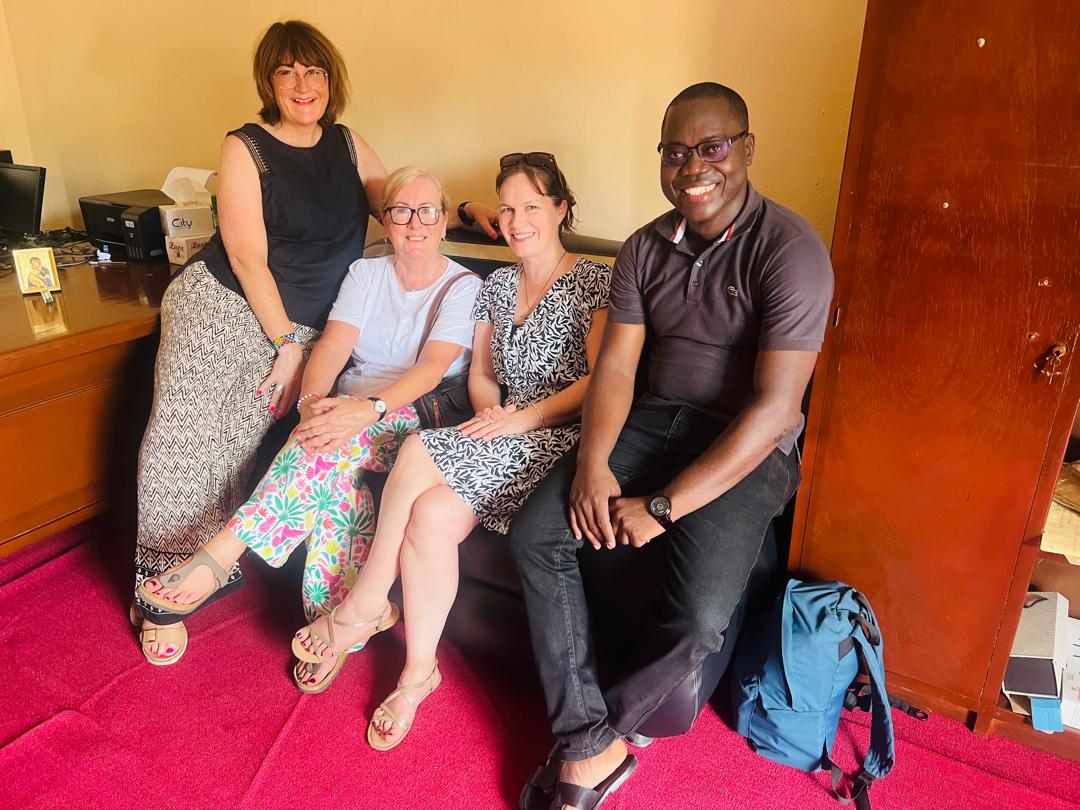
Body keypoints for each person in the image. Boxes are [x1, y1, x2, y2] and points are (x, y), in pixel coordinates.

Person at [510, 82, 834, 810]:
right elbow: (618, 367)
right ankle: (589, 744)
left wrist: (663, 505)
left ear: (745, 149)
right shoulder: (643, 247)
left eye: (713, 147)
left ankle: (601, 736)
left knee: (699, 618)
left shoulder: (791, 250)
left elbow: (775, 407)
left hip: (744, 443)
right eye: (676, 151)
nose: (694, 166)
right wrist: (593, 465)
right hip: (652, 421)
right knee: (536, 533)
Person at [132, 20, 496, 667]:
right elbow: (247, 258)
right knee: (183, 432)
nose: (303, 86)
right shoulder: (247, 147)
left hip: (307, 328)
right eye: (287, 72)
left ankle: (240, 571)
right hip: (232, 304)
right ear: (269, 82)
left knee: (251, 437)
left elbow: (404, 204)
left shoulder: (349, 146)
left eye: (315, 72)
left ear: (332, 81)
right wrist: (292, 351)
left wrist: (467, 212)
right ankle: (161, 589)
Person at [286, 152, 609, 749]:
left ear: (561, 209)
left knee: (415, 452)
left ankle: (365, 598)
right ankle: (418, 673)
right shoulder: (496, 285)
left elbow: (600, 381)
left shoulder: (593, 279)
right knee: (430, 517)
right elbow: (483, 373)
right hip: (498, 428)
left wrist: (525, 418)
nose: (516, 221)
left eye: (531, 207)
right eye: (508, 208)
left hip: (555, 435)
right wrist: (492, 411)